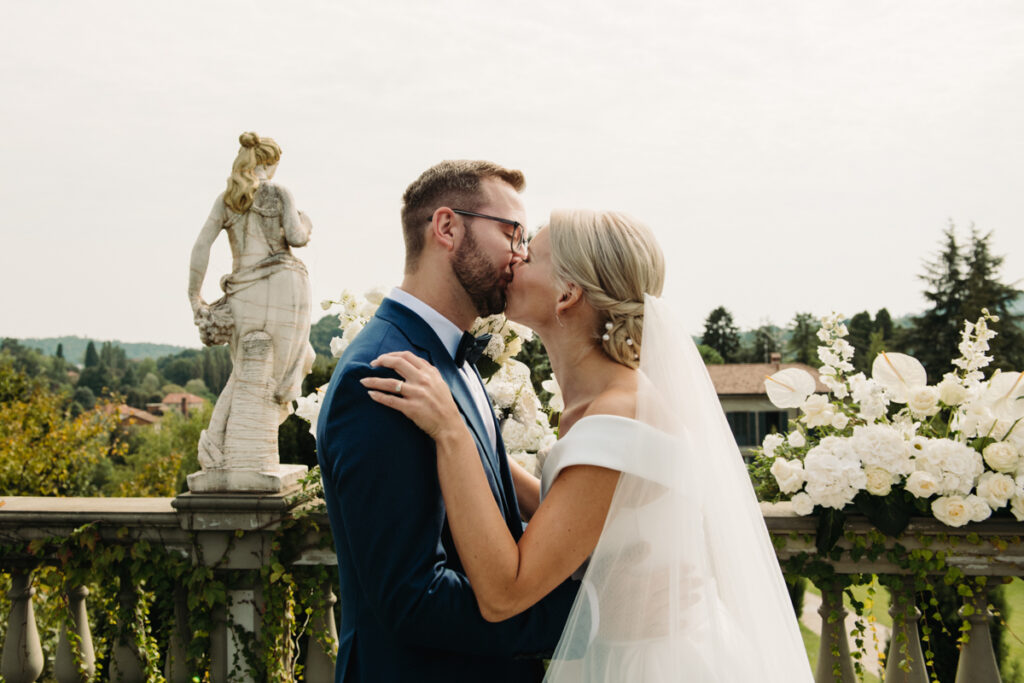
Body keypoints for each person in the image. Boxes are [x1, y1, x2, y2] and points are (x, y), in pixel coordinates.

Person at [365, 210, 814, 681]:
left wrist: (453, 433)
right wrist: (475, 435)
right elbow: (578, 514)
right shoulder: (600, 403)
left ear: (567, 294)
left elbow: (504, 593)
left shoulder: (617, 417)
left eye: (531, 254)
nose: (514, 259)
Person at [315, 161, 579, 683]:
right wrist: (583, 619)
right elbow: (414, 598)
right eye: (511, 233)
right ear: (447, 227)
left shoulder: (446, 356)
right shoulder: (385, 374)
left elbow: (490, 525)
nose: (520, 255)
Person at [188, 132, 315, 470]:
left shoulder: (228, 199)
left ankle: (222, 442)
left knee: (248, 368)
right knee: (288, 365)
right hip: (285, 283)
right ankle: (227, 443)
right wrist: (306, 221)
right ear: (269, 163)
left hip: (246, 289)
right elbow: (298, 237)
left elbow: (202, 246)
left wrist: (194, 295)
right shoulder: (278, 193)